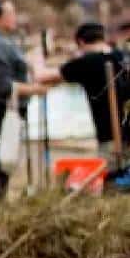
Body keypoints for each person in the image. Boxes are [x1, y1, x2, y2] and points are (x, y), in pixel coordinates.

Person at [0, 0, 47, 215]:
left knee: (2, 160)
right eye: (10, 14)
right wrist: (34, 90)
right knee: (1, 160)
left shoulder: (1, 42)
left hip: (2, 108)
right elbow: (1, 85)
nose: (14, 18)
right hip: (1, 110)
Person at [34, 22, 130, 170]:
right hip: (126, 132)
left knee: (112, 181)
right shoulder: (120, 56)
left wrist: (38, 55)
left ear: (80, 42)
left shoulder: (86, 63)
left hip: (110, 137)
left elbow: (41, 76)